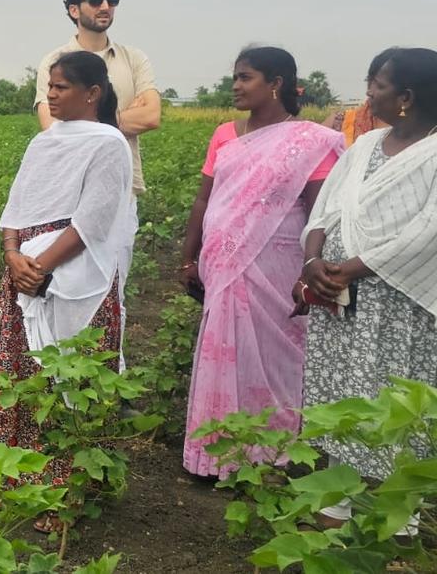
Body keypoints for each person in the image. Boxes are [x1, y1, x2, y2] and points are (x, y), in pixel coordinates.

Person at [0, 51, 132, 531]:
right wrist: (12, 255)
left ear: (92, 93)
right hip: (25, 273)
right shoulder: (43, 143)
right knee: (21, 374)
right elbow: (15, 208)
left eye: (61, 87)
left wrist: (40, 266)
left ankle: (65, 490)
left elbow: (93, 221)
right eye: (50, 86)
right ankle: (12, 478)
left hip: (72, 273)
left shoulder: (109, 144)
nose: (51, 95)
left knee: (67, 378)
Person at [179, 47, 343, 478]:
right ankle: (216, 454)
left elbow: (321, 213)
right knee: (225, 352)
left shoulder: (309, 142)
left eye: (245, 77)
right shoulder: (225, 135)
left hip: (278, 264)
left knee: (277, 357)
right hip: (224, 263)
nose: (235, 86)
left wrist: (313, 269)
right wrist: (187, 257)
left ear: (276, 84)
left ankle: (273, 453)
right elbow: (204, 200)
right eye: (235, 76)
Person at [301, 48, 437, 526]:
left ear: (406, 97)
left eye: (377, 84)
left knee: (395, 403)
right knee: (342, 397)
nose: (368, 93)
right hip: (340, 299)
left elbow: (427, 231)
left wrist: (354, 268)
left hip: (396, 308)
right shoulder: (364, 146)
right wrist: (314, 260)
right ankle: (336, 505)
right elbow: (326, 208)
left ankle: (400, 519)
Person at [33, 0, 160, 339]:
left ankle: (105, 369)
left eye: (112, 0)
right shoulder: (55, 60)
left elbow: (152, 116)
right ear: (75, 9)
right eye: (95, 0)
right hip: (65, 193)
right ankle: (57, 369)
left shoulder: (133, 59)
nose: (105, 7)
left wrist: (89, 118)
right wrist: (119, 119)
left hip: (121, 191)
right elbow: (53, 128)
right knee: (62, 286)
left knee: (111, 287)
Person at [320, 48, 397, 147]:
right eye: (369, 81)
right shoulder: (340, 122)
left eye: (380, 85)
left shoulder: (413, 132)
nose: (369, 92)